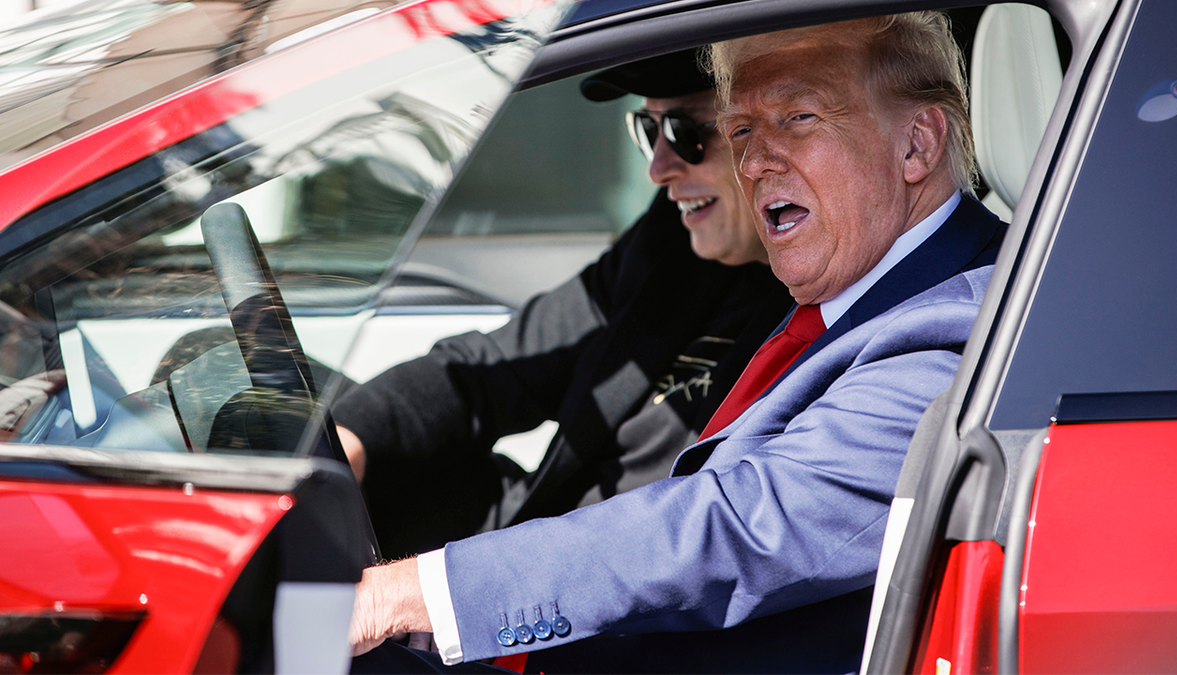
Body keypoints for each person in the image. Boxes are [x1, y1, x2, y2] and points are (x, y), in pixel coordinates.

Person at [348, 12, 1007, 674]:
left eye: (796, 118)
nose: (751, 161)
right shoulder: (853, 278)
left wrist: (418, 594)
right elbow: (491, 372)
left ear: (917, 145)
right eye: (740, 130)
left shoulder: (956, 323)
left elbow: (739, 526)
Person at [333, 50, 795, 559]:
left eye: (688, 132)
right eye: (647, 131)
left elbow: (696, 549)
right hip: (528, 535)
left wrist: (435, 597)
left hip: (599, 593)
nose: (660, 169)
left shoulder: (830, 310)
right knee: (290, 420)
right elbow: (493, 370)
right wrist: (352, 437)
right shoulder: (670, 242)